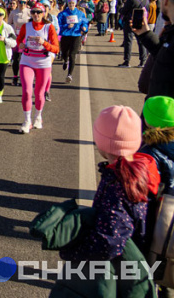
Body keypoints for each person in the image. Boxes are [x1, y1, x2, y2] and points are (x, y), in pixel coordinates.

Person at [59, 106, 159, 287]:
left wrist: (74, 253)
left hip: (123, 270)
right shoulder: (142, 168)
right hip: (140, 258)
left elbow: (110, 240)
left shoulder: (119, 185)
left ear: (101, 143)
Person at [17, 3, 59, 133]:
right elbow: (19, 40)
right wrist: (21, 45)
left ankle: (38, 117)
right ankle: (27, 120)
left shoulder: (49, 27)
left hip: (43, 63)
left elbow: (56, 48)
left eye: (39, 12)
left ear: (44, 13)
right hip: (27, 61)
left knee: (39, 93)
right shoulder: (26, 26)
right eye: (34, 12)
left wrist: (44, 43)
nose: (36, 15)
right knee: (27, 91)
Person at [136, 0, 174, 100]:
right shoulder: (170, 32)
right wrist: (145, 34)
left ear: (166, 0)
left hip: (164, 112)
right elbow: (164, 55)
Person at [57, 0, 89, 83]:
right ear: (67, 4)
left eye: (73, 3)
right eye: (70, 3)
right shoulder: (62, 14)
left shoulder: (80, 13)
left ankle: (69, 75)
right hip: (65, 35)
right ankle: (65, 60)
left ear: (75, 4)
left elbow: (85, 22)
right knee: (65, 53)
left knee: (72, 54)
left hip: (76, 35)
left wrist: (84, 28)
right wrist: (66, 26)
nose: (71, 5)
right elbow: (58, 25)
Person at [119, 0, 150, 68]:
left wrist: (121, 9)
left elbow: (124, 11)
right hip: (141, 22)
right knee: (141, 42)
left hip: (130, 22)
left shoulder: (131, 0)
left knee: (128, 41)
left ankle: (127, 61)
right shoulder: (146, 0)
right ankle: (143, 61)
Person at [7, 0, 30, 87]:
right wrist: (13, 30)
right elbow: (9, 24)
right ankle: (15, 76)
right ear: (18, 2)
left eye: (24, 2)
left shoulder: (29, 12)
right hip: (17, 37)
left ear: (26, 3)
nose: (22, 4)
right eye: (20, 2)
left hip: (27, 37)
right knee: (16, 58)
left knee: (25, 58)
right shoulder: (13, 12)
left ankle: (24, 77)